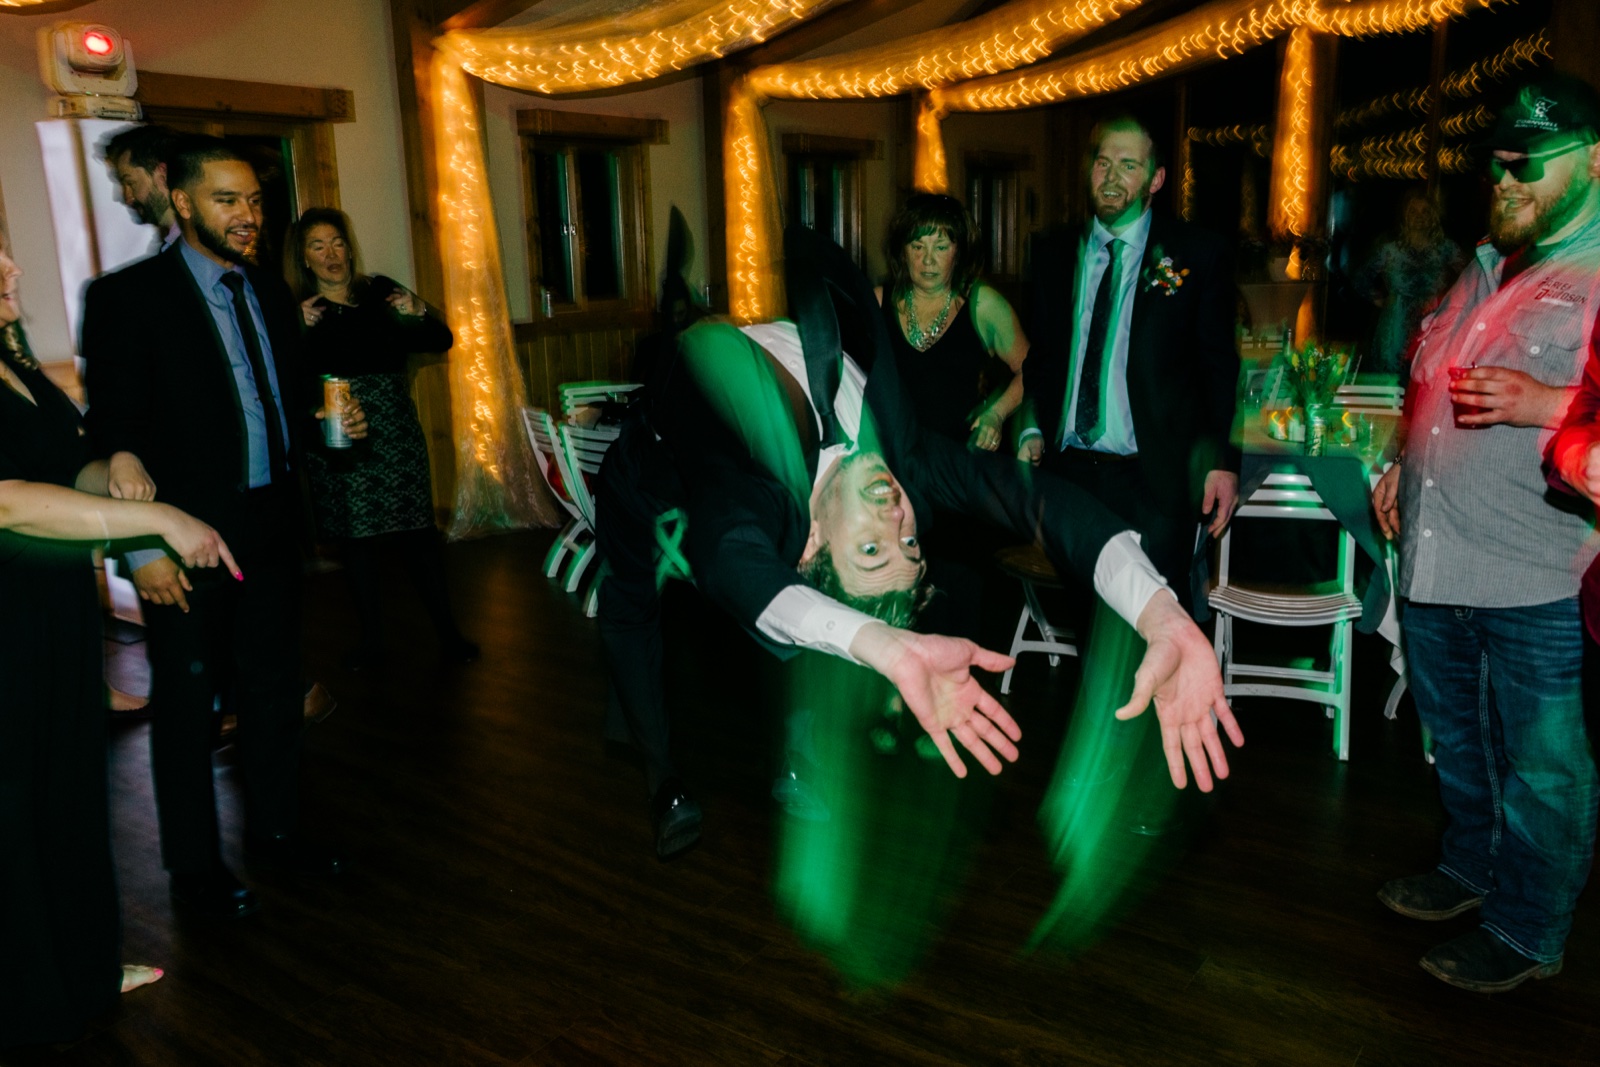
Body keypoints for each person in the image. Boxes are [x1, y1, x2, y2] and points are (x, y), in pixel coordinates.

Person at [597, 225, 1242, 858]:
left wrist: (874, 643)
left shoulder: (751, 494)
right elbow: (1038, 500)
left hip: (655, 472)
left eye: (871, 550)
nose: (896, 518)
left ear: (809, 544)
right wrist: (1161, 606)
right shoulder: (906, 461)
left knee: (631, 608)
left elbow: (731, 562)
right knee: (637, 612)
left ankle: (662, 784)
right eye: (909, 544)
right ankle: (659, 766)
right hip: (674, 427)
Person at [82, 136, 366, 922]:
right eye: (226, 201)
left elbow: (281, 404)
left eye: (254, 201)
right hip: (186, 538)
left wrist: (326, 420)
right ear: (181, 202)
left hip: (273, 525)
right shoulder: (127, 298)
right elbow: (111, 436)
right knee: (188, 702)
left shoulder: (270, 292)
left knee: (275, 693)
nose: (247, 217)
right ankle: (195, 870)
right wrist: (141, 548)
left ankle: (278, 831)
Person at [1369, 74, 1600, 993]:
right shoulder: (1485, 264)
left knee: (1544, 768)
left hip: (1538, 568)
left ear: (1592, 159)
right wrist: (1399, 463)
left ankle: (1527, 926)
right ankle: (1470, 868)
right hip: (1436, 553)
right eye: (1496, 165)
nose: (1502, 181)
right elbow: (1432, 378)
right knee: (1457, 738)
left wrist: (1548, 403)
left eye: (1525, 165)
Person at [0, 247, 237, 1047]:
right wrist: (156, 521)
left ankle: (84, 964)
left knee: (67, 793)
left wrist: (120, 469)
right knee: (12, 811)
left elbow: (68, 469)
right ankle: (30, 997)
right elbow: (8, 503)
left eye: (6, 252)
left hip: (54, 617)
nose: (10, 267)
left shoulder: (14, 362)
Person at [1021, 114, 1240, 606]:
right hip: (1070, 473)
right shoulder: (1055, 253)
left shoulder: (1196, 255)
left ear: (1155, 179)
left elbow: (1218, 369)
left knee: (1155, 615)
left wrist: (1222, 462)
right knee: (1084, 614)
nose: (1111, 177)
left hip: (1155, 475)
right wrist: (1031, 427)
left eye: (1128, 165)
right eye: (1102, 163)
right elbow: (1044, 359)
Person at [286, 207, 475, 669]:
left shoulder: (381, 291)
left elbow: (441, 339)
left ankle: (449, 634)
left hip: (395, 428)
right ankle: (373, 641)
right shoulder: (297, 310)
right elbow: (279, 374)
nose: (331, 254)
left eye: (337, 243)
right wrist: (291, 327)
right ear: (304, 259)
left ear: (349, 248)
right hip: (338, 427)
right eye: (318, 246)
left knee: (419, 533)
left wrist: (420, 310)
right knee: (357, 539)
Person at [876, 193, 1028, 452]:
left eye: (941, 246)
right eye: (917, 246)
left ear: (958, 252)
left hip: (958, 466)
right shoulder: (878, 301)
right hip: (894, 462)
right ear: (902, 251)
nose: (928, 259)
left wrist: (996, 414)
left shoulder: (983, 305)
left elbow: (1031, 371)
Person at [1352, 191, 1466, 375]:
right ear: (1405, 216)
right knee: (1391, 386)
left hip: (1432, 325)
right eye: (1413, 212)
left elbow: (1470, 278)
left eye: (1425, 212)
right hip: (1395, 330)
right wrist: (1379, 299)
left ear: (1432, 217)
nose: (1419, 217)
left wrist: (1449, 300)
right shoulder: (1389, 251)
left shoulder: (1446, 249)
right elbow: (1360, 279)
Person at [101, 123, 179, 251]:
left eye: (130, 183)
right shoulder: (174, 243)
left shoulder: (192, 248)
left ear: (162, 175)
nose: (126, 197)